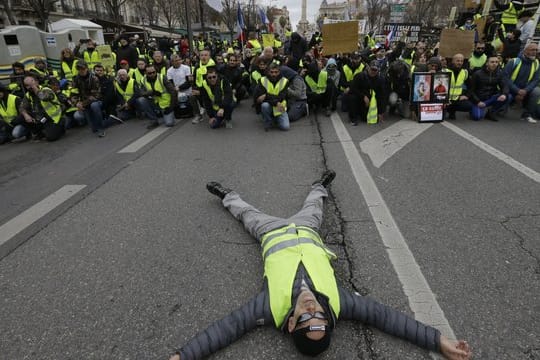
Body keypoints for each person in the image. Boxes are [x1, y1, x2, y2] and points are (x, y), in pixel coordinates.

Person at [169, 170, 472, 360]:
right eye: (319, 316)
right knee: (315, 204)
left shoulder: (268, 309)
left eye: (305, 317)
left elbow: (226, 329)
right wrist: (438, 340)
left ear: (290, 324)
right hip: (307, 230)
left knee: (245, 213)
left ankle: (226, 194)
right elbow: (387, 318)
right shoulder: (339, 304)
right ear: (327, 320)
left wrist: (181, 357)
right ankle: (319, 185)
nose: (312, 307)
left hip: (271, 232)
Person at [503, 42, 540, 123]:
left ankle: (527, 115)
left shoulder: (536, 63)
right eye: (532, 49)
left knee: (537, 91)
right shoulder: (514, 61)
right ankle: (500, 109)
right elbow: (505, 78)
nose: (535, 52)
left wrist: (526, 90)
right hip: (511, 89)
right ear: (525, 51)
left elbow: (536, 80)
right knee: (504, 103)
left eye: (536, 50)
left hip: (525, 90)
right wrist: (517, 90)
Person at [19, 75, 65, 141]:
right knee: (21, 117)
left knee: (51, 137)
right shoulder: (28, 95)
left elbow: (43, 97)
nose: (29, 87)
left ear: (37, 82)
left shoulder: (46, 90)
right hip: (40, 118)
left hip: (53, 118)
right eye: (27, 85)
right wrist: (26, 115)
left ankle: (60, 126)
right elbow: (21, 107)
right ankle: (39, 132)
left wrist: (34, 88)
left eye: (31, 83)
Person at [71, 60, 106, 137]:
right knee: (78, 117)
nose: (81, 70)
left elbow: (96, 95)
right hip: (84, 103)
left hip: (96, 101)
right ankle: (94, 123)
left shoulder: (94, 78)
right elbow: (73, 93)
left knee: (94, 106)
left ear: (86, 68)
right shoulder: (75, 79)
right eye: (79, 69)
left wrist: (82, 104)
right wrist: (76, 103)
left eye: (83, 68)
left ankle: (101, 128)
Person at [136, 63, 177, 129]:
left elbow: (173, 92)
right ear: (145, 73)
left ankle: (166, 113)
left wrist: (171, 107)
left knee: (169, 123)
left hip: (166, 104)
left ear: (156, 71)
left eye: (154, 72)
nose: (152, 74)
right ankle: (153, 120)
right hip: (154, 102)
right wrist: (150, 93)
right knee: (141, 100)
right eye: (149, 73)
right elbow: (140, 93)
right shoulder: (143, 80)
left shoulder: (162, 77)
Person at [469, 56, 509, 121]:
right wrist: (478, 101)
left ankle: (491, 112)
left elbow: (505, 86)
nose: (494, 64)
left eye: (496, 62)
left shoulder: (499, 73)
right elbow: (471, 90)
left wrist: (504, 94)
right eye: (492, 62)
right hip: (479, 99)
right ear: (487, 63)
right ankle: (474, 109)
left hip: (490, 98)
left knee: (507, 96)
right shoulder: (477, 74)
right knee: (477, 117)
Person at [349, 60, 387, 125]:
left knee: (365, 119)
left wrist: (381, 112)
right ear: (368, 67)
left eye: (376, 70)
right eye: (372, 69)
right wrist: (363, 96)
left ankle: (361, 112)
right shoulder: (359, 76)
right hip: (360, 97)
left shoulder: (380, 79)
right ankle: (353, 118)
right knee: (352, 97)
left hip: (371, 100)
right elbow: (353, 89)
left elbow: (382, 95)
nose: (373, 72)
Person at [254, 63, 290, 131]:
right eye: (272, 72)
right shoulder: (262, 80)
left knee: (285, 127)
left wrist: (266, 95)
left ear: (279, 72)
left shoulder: (285, 81)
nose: (274, 74)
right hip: (273, 105)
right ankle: (268, 121)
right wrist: (276, 102)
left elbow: (281, 97)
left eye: (276, 72)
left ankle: (275, 118)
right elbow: (259, 98)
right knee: (264, 105)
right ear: (268, 72)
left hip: (280, 107)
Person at [446, 54, 472, 120]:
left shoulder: (464, 72)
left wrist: (466, 95)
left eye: (461, 61)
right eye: (457, 61)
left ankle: (452, 111)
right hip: (446, 99)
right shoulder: (445, 71)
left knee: (468, 106)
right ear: (453, 61)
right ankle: (446, 110)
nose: (460, 63)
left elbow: (470, 86)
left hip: (457, 99)